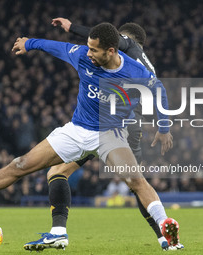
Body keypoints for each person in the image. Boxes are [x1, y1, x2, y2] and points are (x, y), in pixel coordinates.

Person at [0, 23, 178, 251]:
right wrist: (29, 43)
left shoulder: (135, 71)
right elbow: (56, 46)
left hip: (109, 135)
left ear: (111, 51)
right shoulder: (83, 56)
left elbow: (160, 92)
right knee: (21, 164)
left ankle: (165, 226)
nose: (88, 52)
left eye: (94, 49)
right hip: (75, 130)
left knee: (135, 181)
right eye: (88, 47)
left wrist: (164, 128)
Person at [32, 18, 183, 251]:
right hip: (128, 126)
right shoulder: (146, 68)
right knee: (137, 184)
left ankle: (58, 231)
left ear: (126, 40)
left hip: (108, 127)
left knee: (58, 172)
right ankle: (164, 237)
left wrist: (71, 27)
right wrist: (163, 128)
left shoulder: (127, 51)